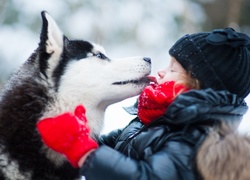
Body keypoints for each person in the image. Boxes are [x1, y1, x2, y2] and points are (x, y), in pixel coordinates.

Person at [37, 27, 250, 180]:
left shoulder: (197, 138)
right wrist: (79, 135)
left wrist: (82, 151)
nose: (161, 71)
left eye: (173, 69)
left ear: (198, 86)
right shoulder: (155, 120)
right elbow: (112, 148)